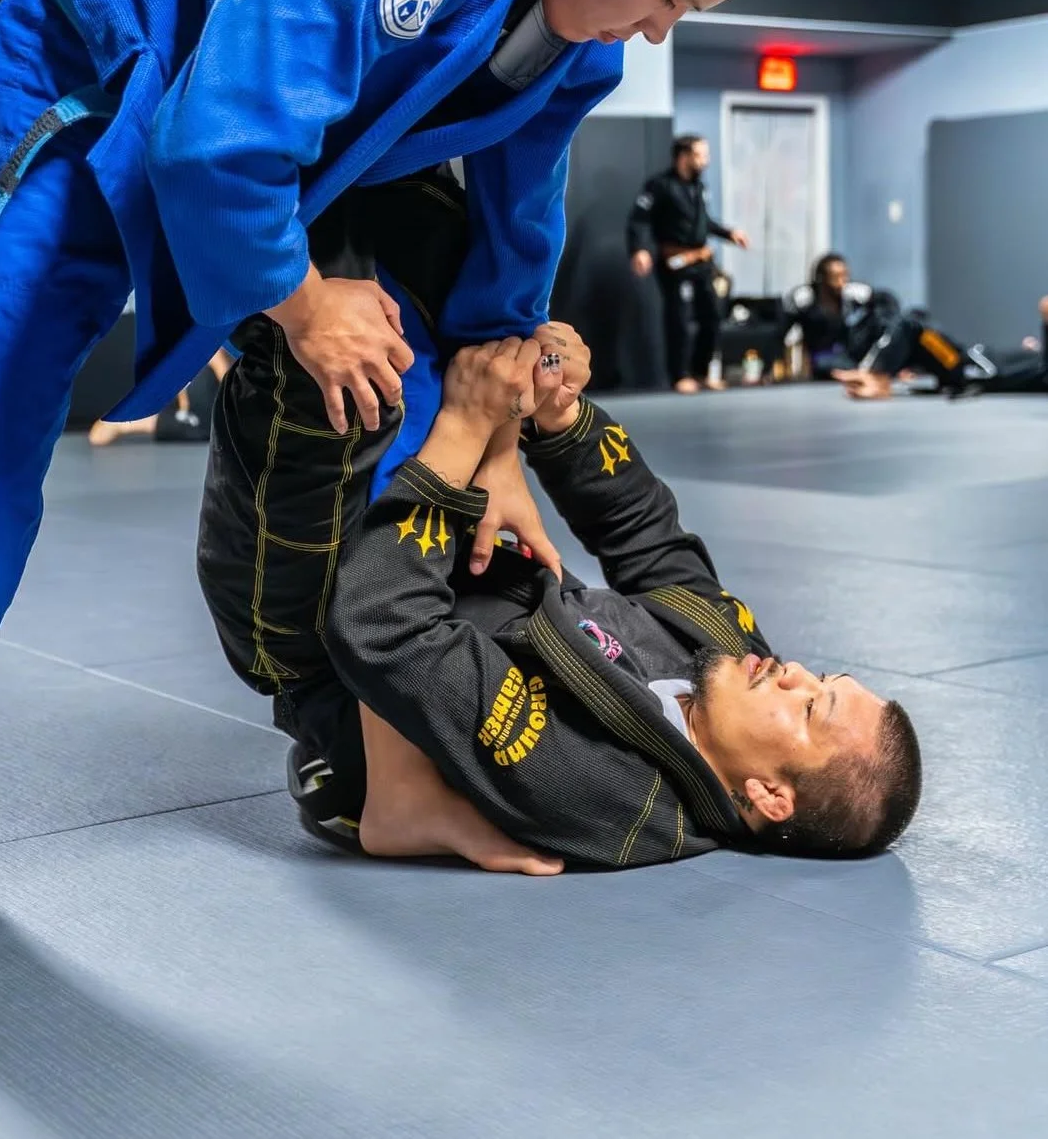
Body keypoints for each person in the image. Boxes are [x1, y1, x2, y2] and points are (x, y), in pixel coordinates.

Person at [0, 0, 810, 960]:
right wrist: (298, 298)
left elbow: (511, 239)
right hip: (81, 55)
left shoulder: (575, 33)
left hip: (280, 107)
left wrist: (498, 443)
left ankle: (395, 782)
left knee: (416, 396)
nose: (657, 32)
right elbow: (212, 143)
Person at [199, 180, 921, 874]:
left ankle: (206, 171)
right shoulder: (736, 660)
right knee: (434, 223)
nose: (793, 673)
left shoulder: (610, 795)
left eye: (811, 707)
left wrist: (467, 430)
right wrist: (557, 412)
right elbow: (647, 535)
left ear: (768, 796)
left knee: (333, 353)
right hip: (437, 549)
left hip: (318, 628)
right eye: (818, 677)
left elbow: (385, 630)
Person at [627, 135, 750, 393]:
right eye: (700, 155)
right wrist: (639, 249)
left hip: (701, 261)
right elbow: (639, 220)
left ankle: (701, 372)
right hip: (675, 262)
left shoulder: (699, 187)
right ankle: (680, 375)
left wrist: (729, 233)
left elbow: (705, 221)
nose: (706, 161)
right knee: (679, 319)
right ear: (684, 157)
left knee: (712, 315)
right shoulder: (659, 186)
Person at [834, 295, 1048, 400]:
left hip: (965, 367)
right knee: (916, 330)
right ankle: (873, 373)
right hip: (967, 361)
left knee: (913, 327)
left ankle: (876, 378)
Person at [783, 253, 902, 380]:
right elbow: (782, 329)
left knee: (893, 319)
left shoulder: (852, 295)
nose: (842, 281)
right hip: (822, 358)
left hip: (851, 354)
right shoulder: (806, 299)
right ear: (821, 278)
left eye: (845, 275)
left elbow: (888, 306)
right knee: (826, 363)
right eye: (835, 277)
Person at [88, 349, 233, 446]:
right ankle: (121, 423)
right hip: (201, 410)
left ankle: (122, 422)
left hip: (207, 407)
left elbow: (219, 363)